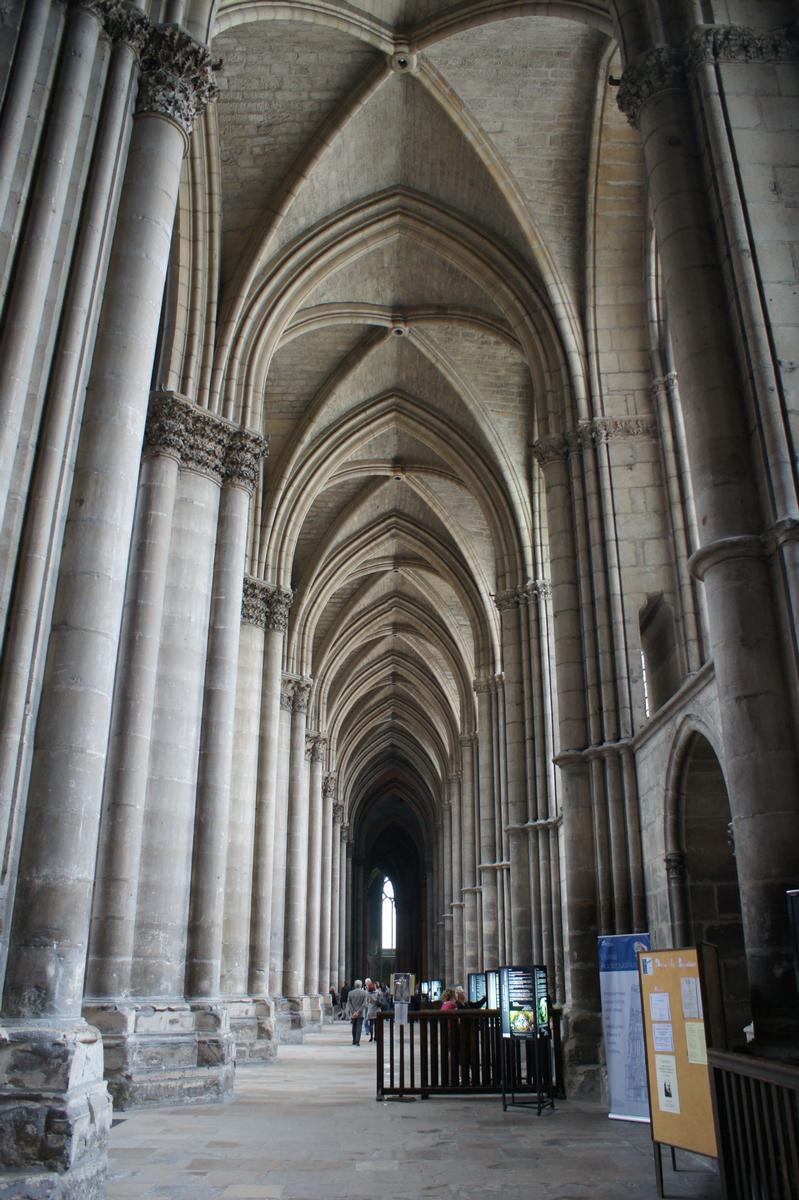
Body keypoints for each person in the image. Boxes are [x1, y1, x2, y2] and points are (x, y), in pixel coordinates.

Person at [345, 979, 367, 1045]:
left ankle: (354, 1040)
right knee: (359, 1027)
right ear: (361, 985)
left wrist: (353, 1011)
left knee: (354, 1026)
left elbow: (349, 1003)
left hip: (353, 1013)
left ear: (355, 985)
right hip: (360, 1013)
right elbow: (364, 1003)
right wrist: (358, 1011)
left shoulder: (350, 993)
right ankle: (357, 1041)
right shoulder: (364, 993)